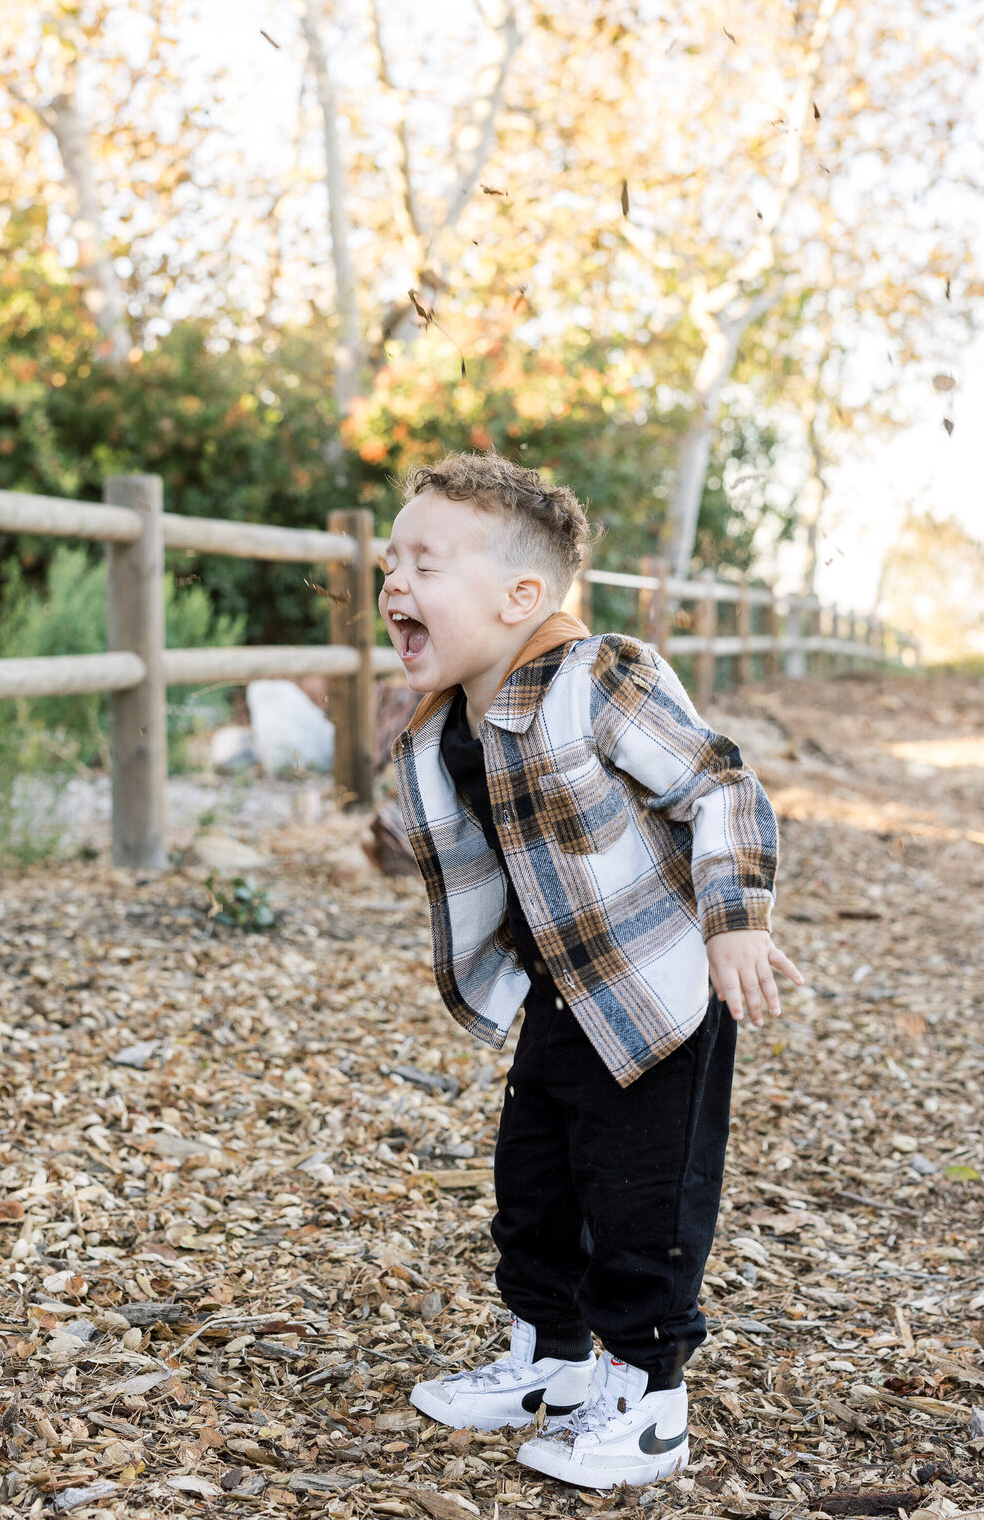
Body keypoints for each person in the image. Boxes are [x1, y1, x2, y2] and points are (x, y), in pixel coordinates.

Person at [380, 451, 802, 1493]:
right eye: (390, 559)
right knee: (533, 1182)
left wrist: (735, 920)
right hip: (562, 992)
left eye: (425, 562)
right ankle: (550, 1363)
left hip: (663, 993)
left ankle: (648, 1405)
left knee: (642, 1201)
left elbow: (722, 783)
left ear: (524, 596)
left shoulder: (598, 676)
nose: (394, 581)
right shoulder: (442, 723)